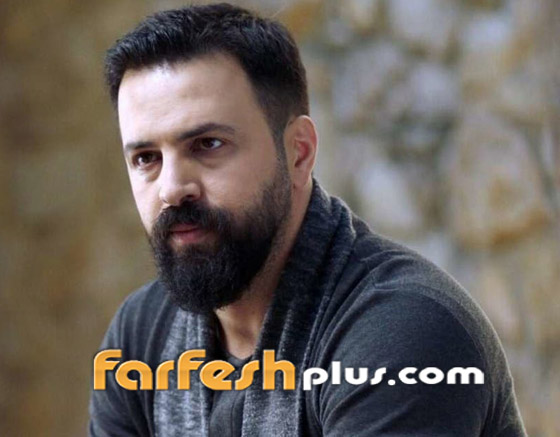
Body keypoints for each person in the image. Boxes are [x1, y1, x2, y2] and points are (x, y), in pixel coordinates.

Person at [89, 3, 527, 436]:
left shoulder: (402, 332)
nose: (171, 188)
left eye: (208, 144)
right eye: (146, 158)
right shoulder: (141, 336)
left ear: (299, 153)